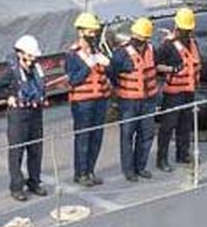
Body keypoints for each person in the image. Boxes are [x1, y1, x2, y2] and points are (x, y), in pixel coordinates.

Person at [0, 35, 49, 201]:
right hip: (18, 115)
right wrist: (8, 96)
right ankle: (16, 186)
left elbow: (42, 86)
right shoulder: (10, 72)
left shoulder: (36, 68)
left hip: (35, 113)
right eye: (29, 56)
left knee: (36, 149)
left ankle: (34, 181)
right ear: (20, 53)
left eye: (34, 56)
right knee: (17, 151)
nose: (32, 60)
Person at [65, 12, 111, 186]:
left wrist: (106, 64)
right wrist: (88, 65)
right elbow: (73, 80)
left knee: (96, 137)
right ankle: (80, 173)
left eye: (94, 32)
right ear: (81, 32)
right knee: (83, 138)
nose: (93, 35)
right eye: (90, 32)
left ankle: (90, 170)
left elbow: (104, 74)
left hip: (100, 99)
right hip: (83, 103)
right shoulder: (72, 54)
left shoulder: (97, 51)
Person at [110, 17, 158, 181]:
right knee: (127, 135)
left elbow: (154, 68)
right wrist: (121, 91)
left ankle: (141, 167)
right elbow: (112, 73)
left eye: (143, 37)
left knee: (146, 134)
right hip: (129, 101)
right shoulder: (121, 53)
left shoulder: (151, 49)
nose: (140, 40)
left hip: (148, 100)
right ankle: (129, 171)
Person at [154, 8, 198, 171]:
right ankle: (162, 159)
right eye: (184, 30)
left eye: (189, 30)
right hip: (173, 93)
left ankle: (183, 153)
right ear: (177, 28)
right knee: (168, 126)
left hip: (189, 90)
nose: (187, 33)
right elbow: (156, 66)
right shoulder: (167, 45)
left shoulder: (192, 43)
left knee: (185, 124)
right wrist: (172, 69)